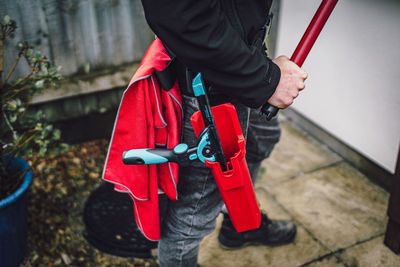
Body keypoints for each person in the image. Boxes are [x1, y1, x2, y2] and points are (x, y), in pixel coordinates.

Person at [140, 0, 308, 266]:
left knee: (261, 138)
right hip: (211, 84)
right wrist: (264, 79)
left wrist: (258, 74)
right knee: (194, 213)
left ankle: (241, 221)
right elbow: (179, 13)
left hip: (244, 59)